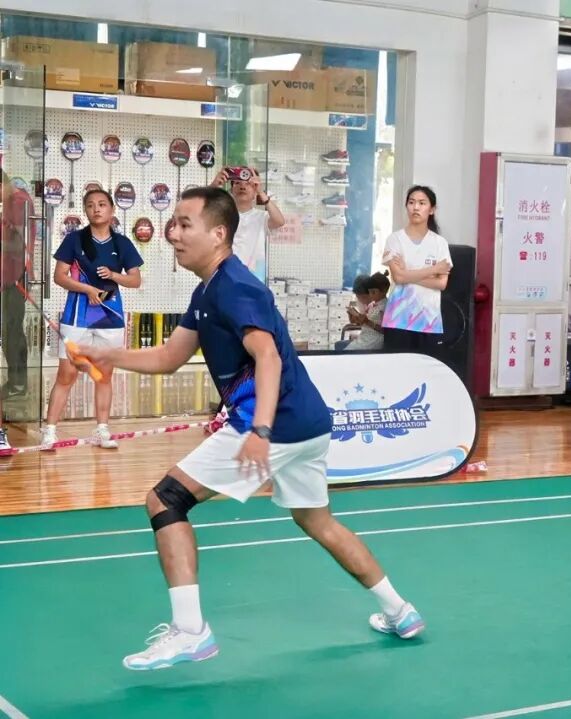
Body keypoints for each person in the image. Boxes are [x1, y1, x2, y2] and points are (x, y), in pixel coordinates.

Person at [72, 187, 425, 671]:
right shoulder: (207, 290)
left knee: (165, 500)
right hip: (307, 422)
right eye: (173, 224)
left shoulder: (236, 287)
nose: (173, 234)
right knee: (317, 521)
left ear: (219, 233)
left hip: (272, 423)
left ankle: (191, 632)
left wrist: (259, 431)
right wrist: (109, 355)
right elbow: (169, 357)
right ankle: (400, 611)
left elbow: (268, 356)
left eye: (185, 224)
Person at [42, 190, 143, 450]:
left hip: (111, 316)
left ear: (111, 209)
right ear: (86, 211)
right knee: (66, 374)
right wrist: (87, 289)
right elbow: (59, 277)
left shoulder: (122, 243)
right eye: (90, 205)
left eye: (101, 204)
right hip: (77, 315)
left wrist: (113, 275)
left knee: (104, 375)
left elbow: (135, 280)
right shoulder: (74, 240)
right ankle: (49, 432)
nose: (96, 209)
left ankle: (102, 430)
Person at [381, 185, 452, 355]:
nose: (416, 207)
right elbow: (398, 278)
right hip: (398, 320)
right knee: (397, 368)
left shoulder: (440, 243)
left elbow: (441, 284)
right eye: (411, 202)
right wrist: (434, 269)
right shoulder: (394, 239)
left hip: (429, 322)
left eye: (422, 203)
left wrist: (407, 273)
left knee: (426, 369)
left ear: (432, 209)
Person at [211, 167, 285, 283]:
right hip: (225, 278)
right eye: (237, 182)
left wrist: (261, 193)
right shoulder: (221, 215)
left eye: (248, 183)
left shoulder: (262, 217)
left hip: (253, 279)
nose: (242, 186)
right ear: (231, 190)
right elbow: (198, 214)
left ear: (255, 191)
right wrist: (213, 187)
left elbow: (279, 221)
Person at [0, 172, 35, 399]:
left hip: (16, 278)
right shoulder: (10, 203)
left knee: (12, 332)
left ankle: (19, 384)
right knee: (9, 331)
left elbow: (19, 245)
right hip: (8, 277)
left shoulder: (19, 202)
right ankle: (15, 381)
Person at [345, 271, 389, 352]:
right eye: (370, 292)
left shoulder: (384, 306)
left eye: (373, 292)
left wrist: (367, 321)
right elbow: (362, 322)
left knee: (347, 352)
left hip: (374, 339)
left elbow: (386, 331)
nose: (371, 295)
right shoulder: (372, 305)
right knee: (346, 351)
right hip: (365, 337)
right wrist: (354, 318)